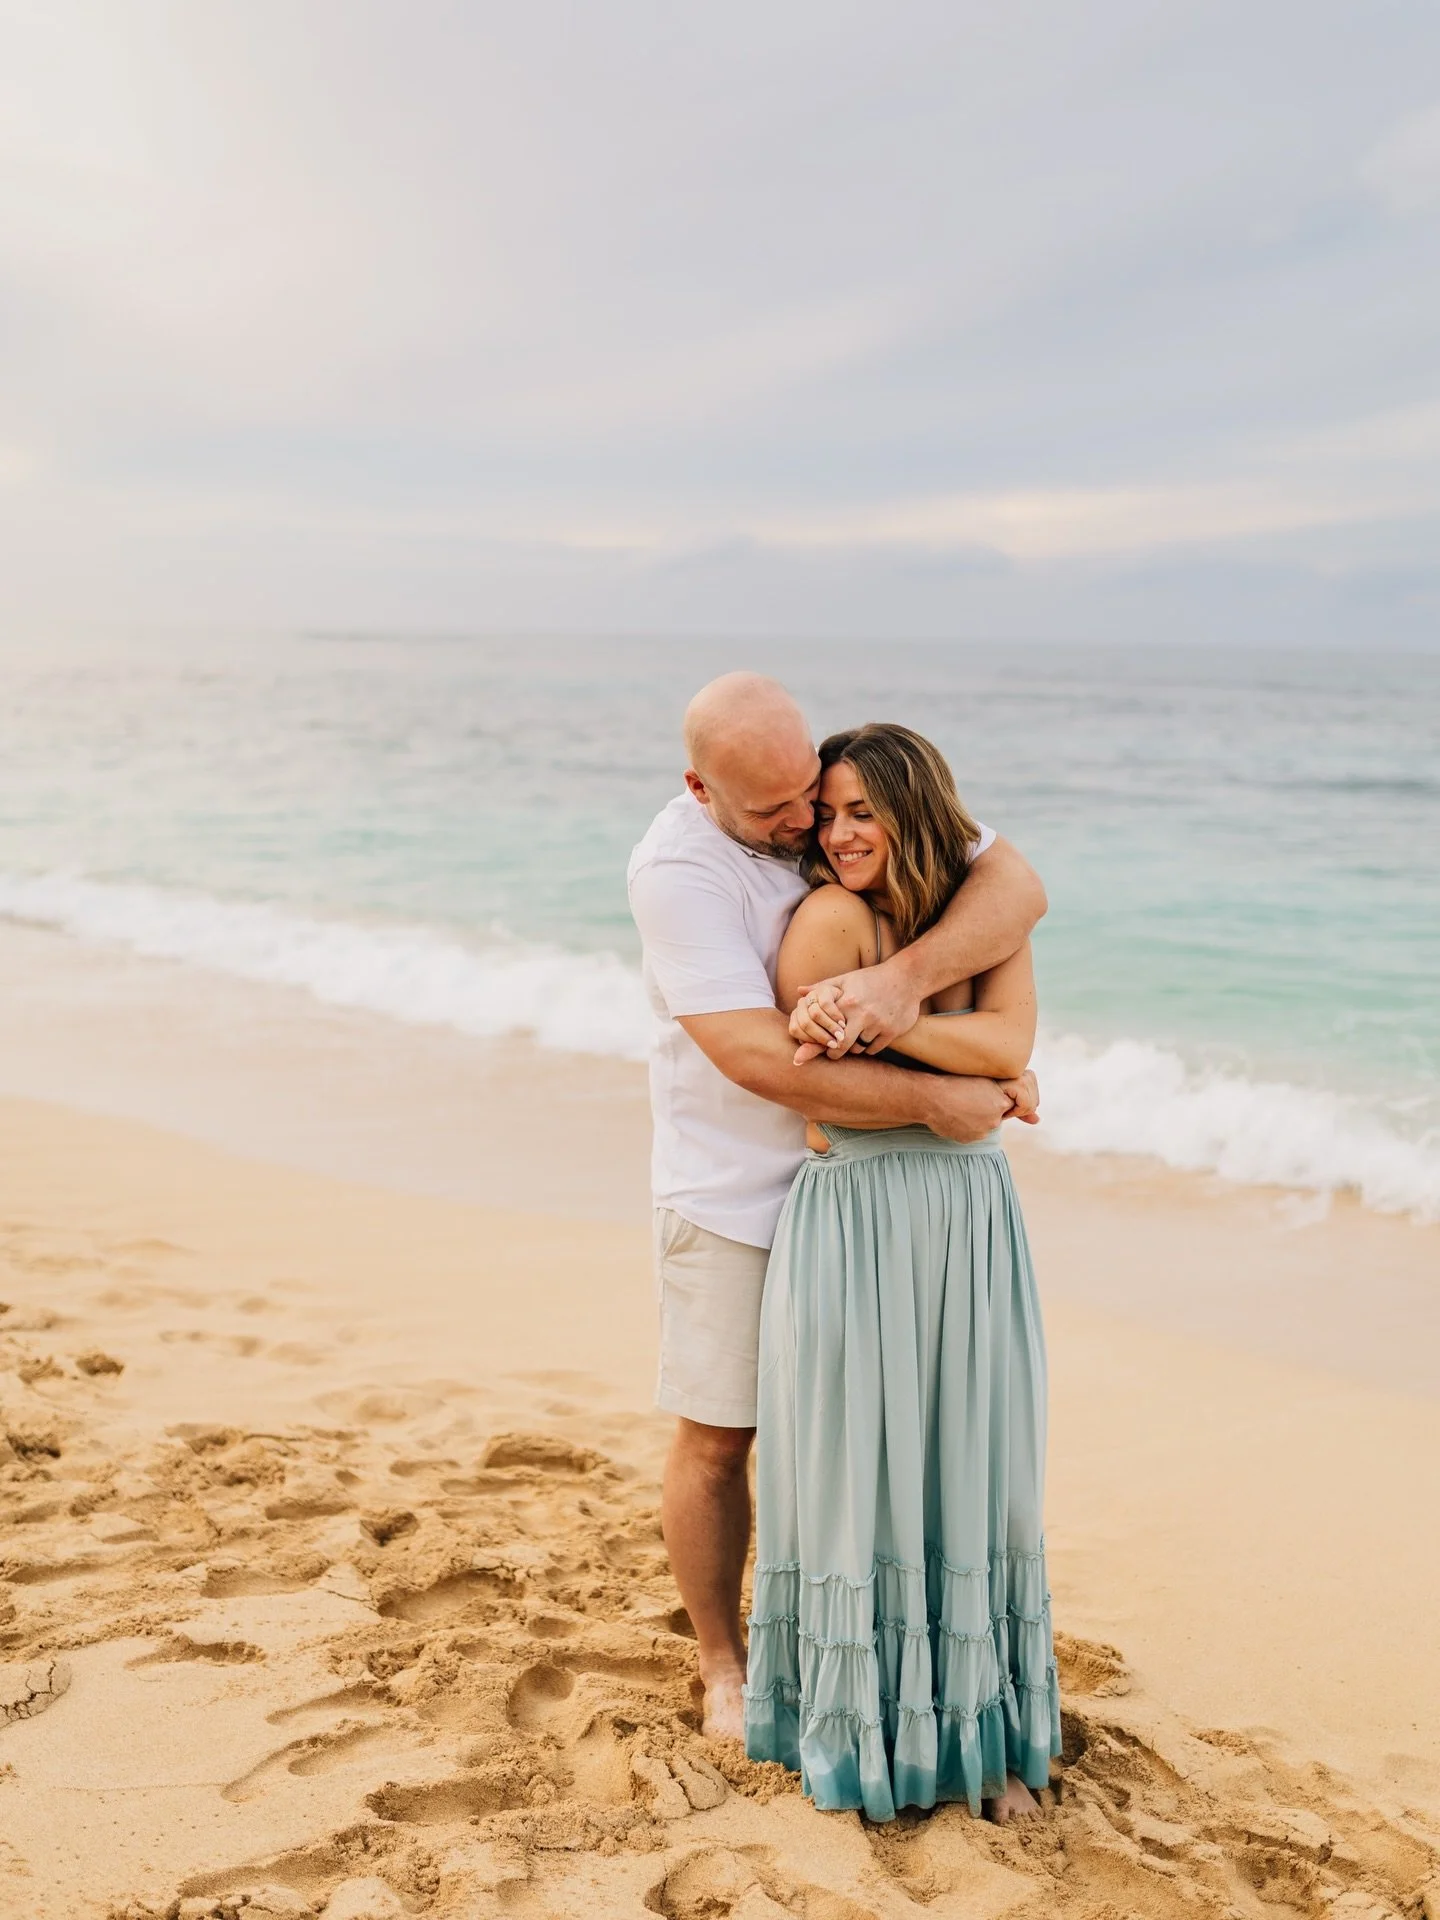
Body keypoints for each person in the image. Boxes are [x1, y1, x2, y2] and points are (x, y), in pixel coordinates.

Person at [626, 674, 1047, 1741]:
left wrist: (898, 986)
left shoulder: (833, 815)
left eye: (810, 792)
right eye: (775, 810)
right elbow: (764, 1060)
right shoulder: (680, 873)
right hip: (734, 1191)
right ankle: (724, 1667)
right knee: (722, 1436)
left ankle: (867, 1658)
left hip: (862, 1207)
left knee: (872, 1447)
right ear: (699, 787)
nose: (804, 822)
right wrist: (946, 1098)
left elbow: (1015, 887)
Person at [743, 723, 1060, 1824]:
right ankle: (870, 1737)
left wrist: (895, 1012)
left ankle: (982, 1732)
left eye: (862, 811)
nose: (838, 835)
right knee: (864, 1478)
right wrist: (958, 1045)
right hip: (863, 1215)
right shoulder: (827, 917)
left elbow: (1011, 1045)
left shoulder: (978, 918)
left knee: (973, 1463)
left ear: (915, 809)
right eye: (828, 813)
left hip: (971, 1217)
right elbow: (821, 1084)